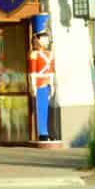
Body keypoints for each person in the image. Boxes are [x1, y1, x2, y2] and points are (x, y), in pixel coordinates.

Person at [28, 13, 56, 141]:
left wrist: (52, 83)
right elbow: (32, 72)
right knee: (40, 107)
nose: (47, 39)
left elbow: (51, 71)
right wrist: (32, 85)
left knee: (46, 107)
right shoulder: (34, 54)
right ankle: (42, 132)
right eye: (44, 37)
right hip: (38, 83)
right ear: (37, 38)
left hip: (46, 82)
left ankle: (47, 131)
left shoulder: (49, 54)